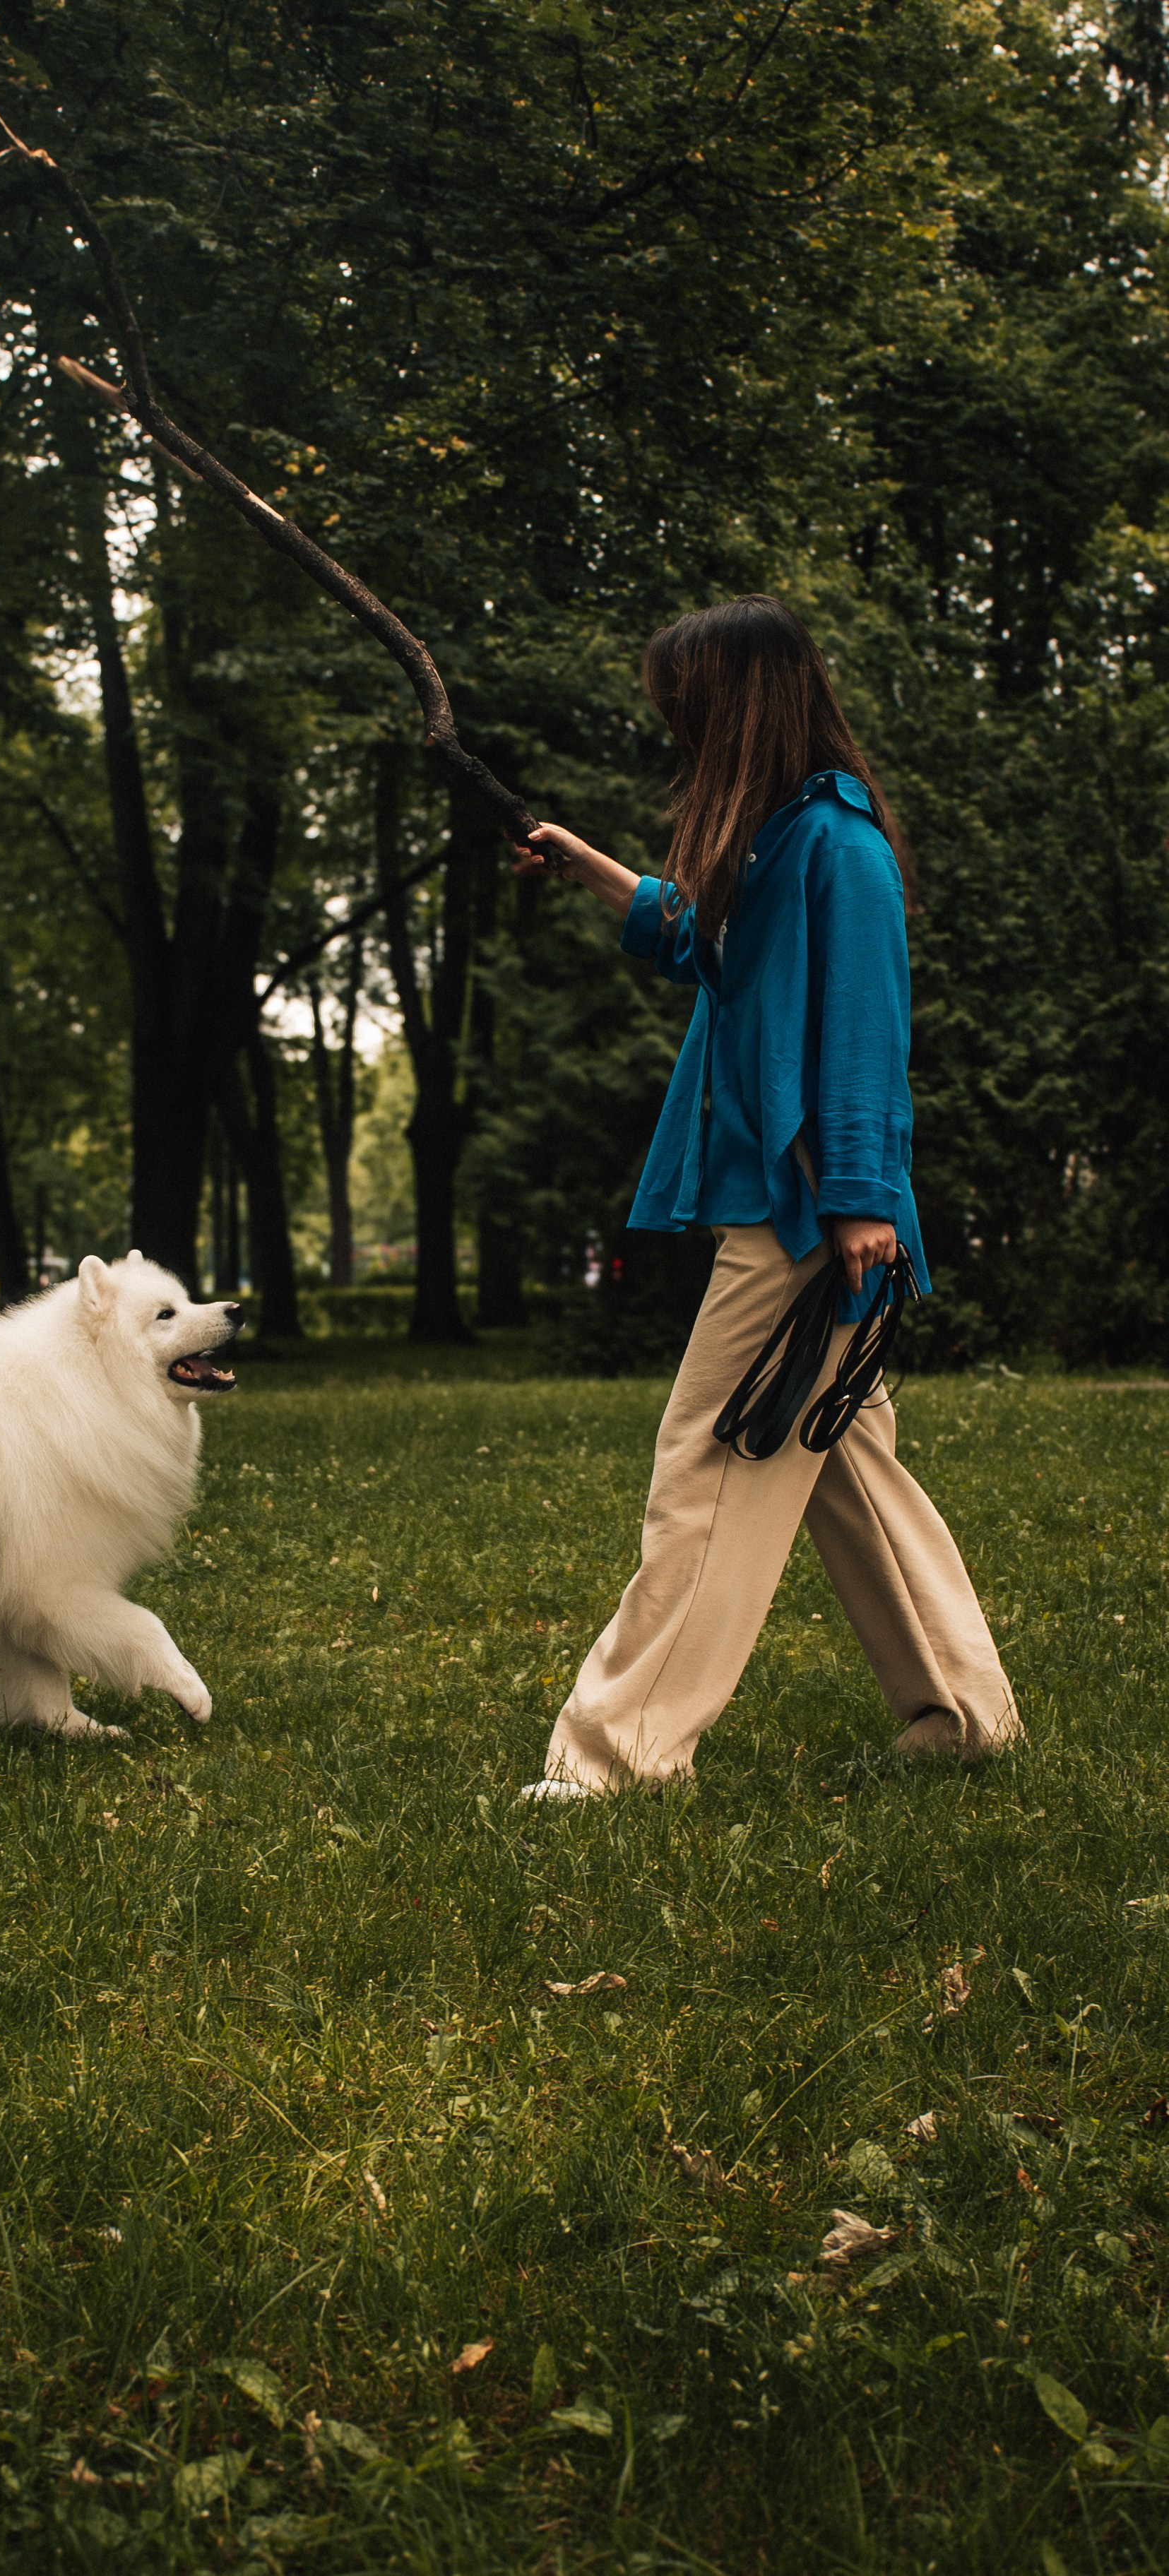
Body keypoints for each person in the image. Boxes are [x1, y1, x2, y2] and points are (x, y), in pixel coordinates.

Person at [514, 595, 1019, 1799]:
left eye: (687, 708)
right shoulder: (778, 840)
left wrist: (856, 1201)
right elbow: (701, 941)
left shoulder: (839, 849)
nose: (677, 731)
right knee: (842, 1462)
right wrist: (590, 867)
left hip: (810, 1219)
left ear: (742, 706)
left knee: (710, 1466)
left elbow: (862, 1038)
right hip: (805, 1210)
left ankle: (619, 1758)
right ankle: (964, 1716)